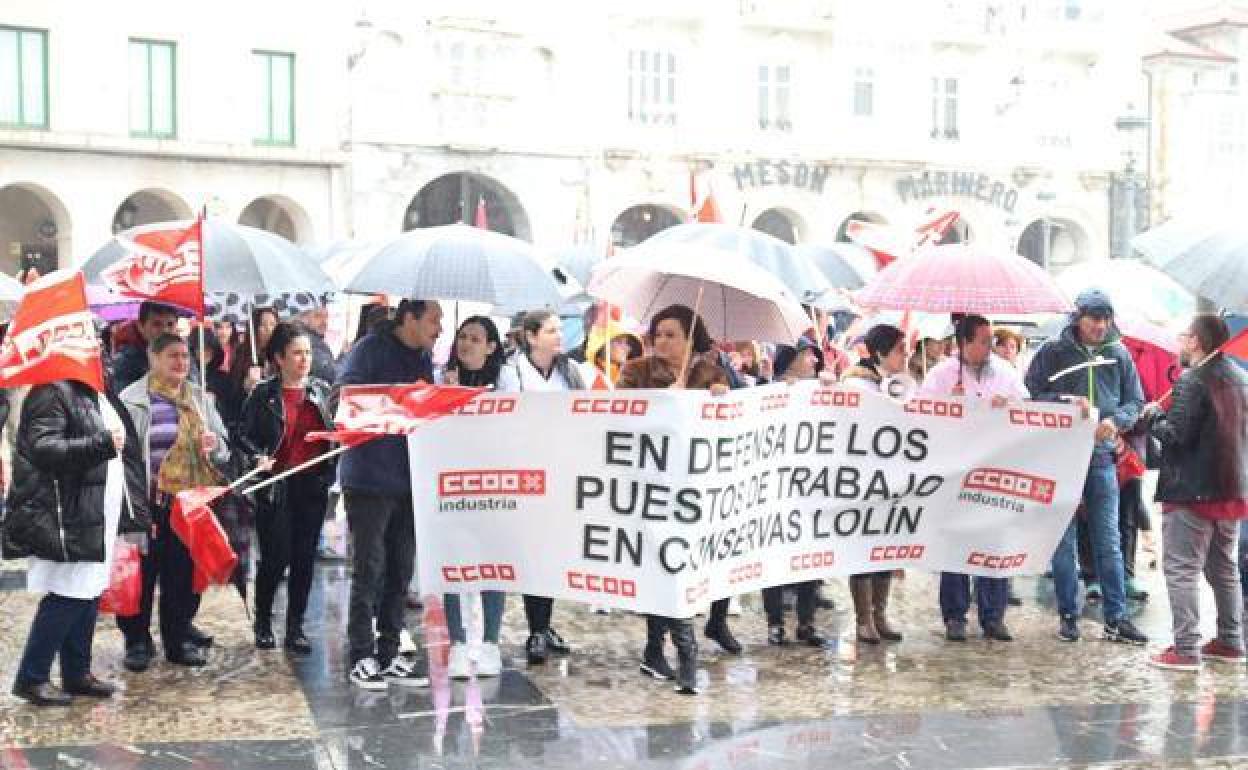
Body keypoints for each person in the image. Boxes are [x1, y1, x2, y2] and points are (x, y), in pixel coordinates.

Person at [3, 378, 149, 706]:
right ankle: (32, 676)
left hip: (99, 511)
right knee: (69, 593)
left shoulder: (99, 388)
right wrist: (101, 442)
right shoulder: (51, 390)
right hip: (69, 514)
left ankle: (76, 671)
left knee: (88, 591)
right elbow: (43, 447)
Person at [618, 304, 733, 694]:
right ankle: (686, 652)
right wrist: (664, 400)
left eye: (671, 334)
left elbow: (739, 421)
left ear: (689, 339)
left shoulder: (711, 374)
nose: (662, 341)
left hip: (695, 489)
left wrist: (721, 398)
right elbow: (620, 418)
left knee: (675, 566)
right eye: (658, 333)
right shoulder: (636, 372)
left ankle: (655, 648)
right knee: (664, 563)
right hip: (650, 486)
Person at [1024, 289, 1148, 645]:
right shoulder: (1052, 351)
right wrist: (1064, 401)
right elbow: (1030, 395)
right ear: (1078, 318)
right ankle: (1068, 616)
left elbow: (1135, 401)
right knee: (1063, 542)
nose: (1101, 326)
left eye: (1106, 319)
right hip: (1060, 458)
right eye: (1094, 318)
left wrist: (1117, 421)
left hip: (1102, 459)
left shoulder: (1118, 353)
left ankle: (1117, 618)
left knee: (1109, 540)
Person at [337, 299, 441, 690]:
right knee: (370, 568)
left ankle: (389, 649)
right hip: (368, 477)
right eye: (434, 319)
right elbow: (345, 398)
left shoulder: (424, 358)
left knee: (400, 568)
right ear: (409, 318)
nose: (439, 328)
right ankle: (361, 654)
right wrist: (400, 399)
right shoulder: (369, 349)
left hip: (408, 478)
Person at [116, 333, 233, 670]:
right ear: (153, 358)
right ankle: (137, 640)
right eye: (173, 356)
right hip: (147, 503)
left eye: (185, 356)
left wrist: (215, 446)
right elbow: (125, 456)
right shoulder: (133, 399)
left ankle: (177, 638)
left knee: (182, 575)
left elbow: (224, 451)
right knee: (143, 576)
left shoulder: (199, 400)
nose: (182, 363)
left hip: (189, 506)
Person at [1143, 314, 1248, 670]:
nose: (1179, 342)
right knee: (1223, 569)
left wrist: (1154, 417)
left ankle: (1186, 649)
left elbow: (1177, 436)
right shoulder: (1240, 376)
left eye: (1184, 336)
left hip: (1192, 491)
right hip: (1231, 489)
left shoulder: (1192, 380)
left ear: (1197, 342)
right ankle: (1231, 640)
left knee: (1182, 569)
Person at [917, 315, 1029, 642]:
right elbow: (918, 419)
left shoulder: (1006, 373)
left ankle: (993, 615)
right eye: (982, 340)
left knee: (993, 543)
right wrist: (946, 405)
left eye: (991, 339)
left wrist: (1009, 405)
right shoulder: (939, 375)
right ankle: (955, 615)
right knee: (955, 544)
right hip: (954, 473)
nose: (990, 346)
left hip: (995, 471)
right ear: (964, 342)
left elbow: (1027, 407)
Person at [237, 323, 336, 654]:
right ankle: (263, 621)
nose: (304, 359)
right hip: (276, 484)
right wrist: (256, 457)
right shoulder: (263, 394)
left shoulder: (321, 391)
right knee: (275, 558)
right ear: (279, 358)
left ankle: (296, 626)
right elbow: (243, 435)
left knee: (304, 559)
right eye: (296, 353)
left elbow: (335, 431)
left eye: (307, 353)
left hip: (311, 484)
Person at [498, 309, 588, 665]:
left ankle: (545, 623)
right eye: (550, 330)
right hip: (527, 473)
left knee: (553, 552)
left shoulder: (570, 371)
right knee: (532, 551)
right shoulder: (513, 371)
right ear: (532, 336)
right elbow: (508, 417)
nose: (558, 335)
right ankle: (535, 628)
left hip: (562, 470)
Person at [439, 316, 508, 679]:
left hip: (496, 488)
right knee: (454, 565)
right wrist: (446, 397)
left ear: (491, 346)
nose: (466, 344)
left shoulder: (509, 383)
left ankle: (492, 643)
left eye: (476, 338)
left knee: (494, 564)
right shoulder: (442, 379)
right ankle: (458, 643)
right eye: (462, 337)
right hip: (453, 486)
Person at [760, 336, 833, 647]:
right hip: (775, 491)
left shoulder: (821, 390)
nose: (815, 362)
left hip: (812, 490)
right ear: (790, 359)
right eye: (808, 356)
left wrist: (834, 391)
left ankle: (806, 622)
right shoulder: (769, 393)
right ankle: (775, 623)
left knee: (810, 558)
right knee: (774, 560)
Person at [841, 324, 909, 644]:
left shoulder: (894, 385)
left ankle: (880, 614)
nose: (906, 356)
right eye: (899, 350)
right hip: (863, 480)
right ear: (881, 352)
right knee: (864, 548)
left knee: (884, 547)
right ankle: (863, 618)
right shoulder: (857, 385)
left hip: (890, 479)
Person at [110, 302, 180, 394]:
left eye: (170, 324)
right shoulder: (127, 361)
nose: (165, 331)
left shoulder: (183, 356)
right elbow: (124, 402)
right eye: (157, 324)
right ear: (140, 326)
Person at [299, 306, 338, 384]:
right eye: (318, 316)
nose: (324, 321)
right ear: (303, 318)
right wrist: (345, 355)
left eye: (326, 316)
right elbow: (330, 374)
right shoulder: (307, 341)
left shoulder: (315, 339)